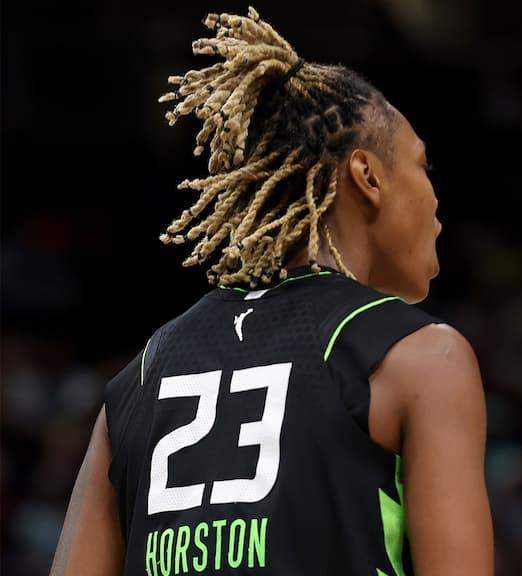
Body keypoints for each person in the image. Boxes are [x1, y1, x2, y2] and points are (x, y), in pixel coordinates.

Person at [50, 8, 493, 576]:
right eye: (422, 166)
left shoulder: (141, 376)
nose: (435, 199)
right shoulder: (422, 358)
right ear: (367, 176)